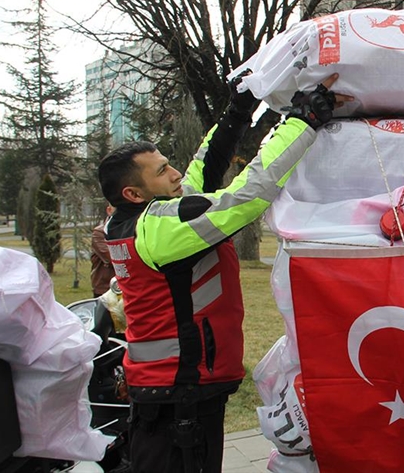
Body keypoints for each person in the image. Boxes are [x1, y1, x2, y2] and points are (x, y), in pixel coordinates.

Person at [98, 72, 351, 473]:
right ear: (134, 193)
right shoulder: (159, 230)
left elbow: (204, 169)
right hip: (181, 392)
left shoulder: (135, 222)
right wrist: (303, 121)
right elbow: (246, 197)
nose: (175, 174)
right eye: (161, 171)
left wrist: (237, 112)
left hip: (169, 389)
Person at [90, 205, 116, 297]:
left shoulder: (134, 228)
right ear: (109, 210)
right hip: (105, 287)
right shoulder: (100, 232)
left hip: (131, 286)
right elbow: (111, 258)